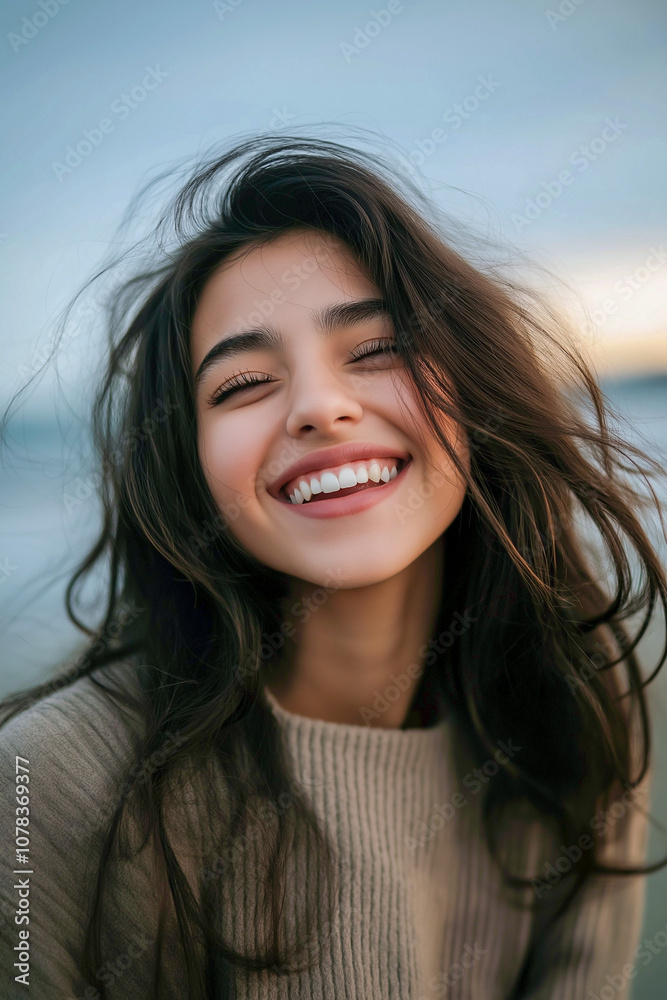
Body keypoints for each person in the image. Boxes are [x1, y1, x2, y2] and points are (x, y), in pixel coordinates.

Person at [1, 132, 665, 1000]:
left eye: (376, 349)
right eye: (242, 385)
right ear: (187, 466)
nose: (318, 407)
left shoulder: (570, 695)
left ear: (475, 390)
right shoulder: (44, 783)